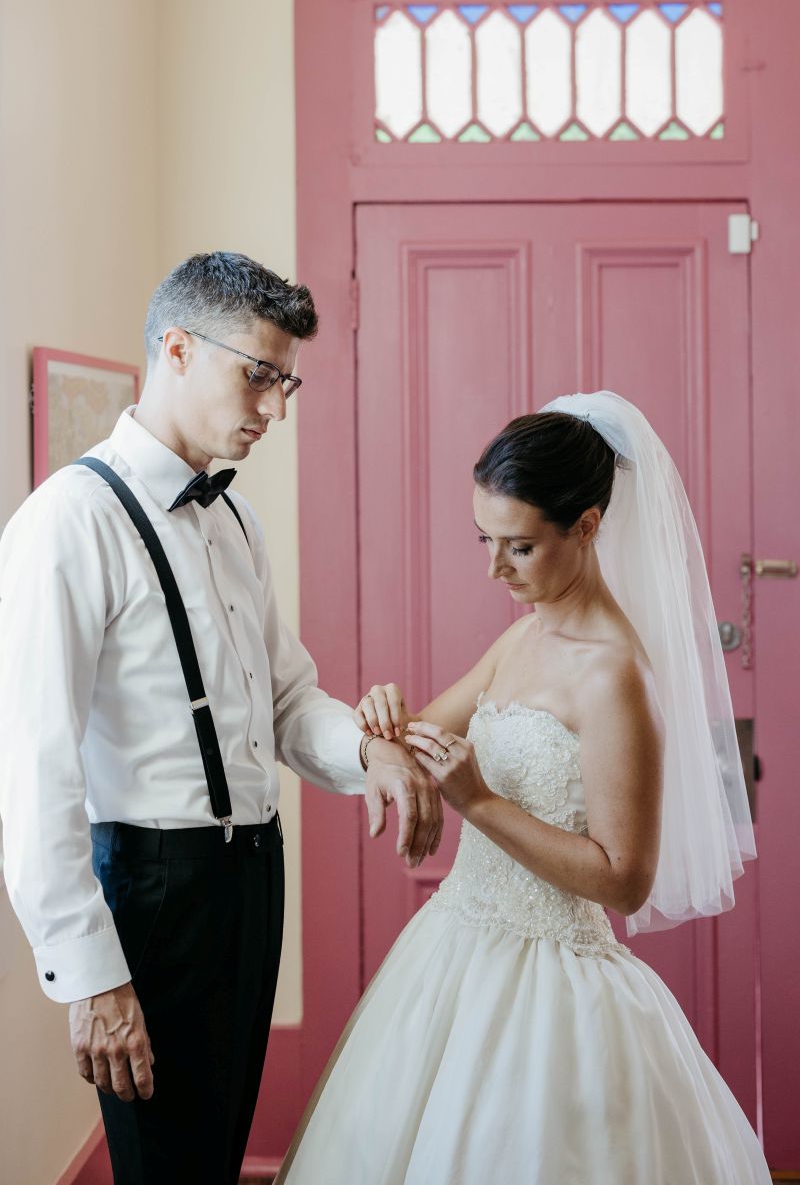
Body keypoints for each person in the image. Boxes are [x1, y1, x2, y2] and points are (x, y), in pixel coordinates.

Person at [0, 252, 442, 1185]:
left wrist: (371, 756)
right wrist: (91, 977)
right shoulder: (66, 523)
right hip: (154, 893)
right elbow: (33, 773)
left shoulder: (233, 521)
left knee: (214, 1152)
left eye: (286, 383)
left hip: (249, 879)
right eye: (259, 375)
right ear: (176, 349)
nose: (275, 409)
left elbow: (284, 698)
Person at [276, 392, 770, 1184]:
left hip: (553, 984)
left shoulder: (616, 678)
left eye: (519, 547)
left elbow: (624, 879)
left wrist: (478, 803)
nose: (494, 567)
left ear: (587, 526)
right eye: (485, 539)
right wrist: (377, 728)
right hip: (455, 947)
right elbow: (418, 737)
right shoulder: (525, 634)